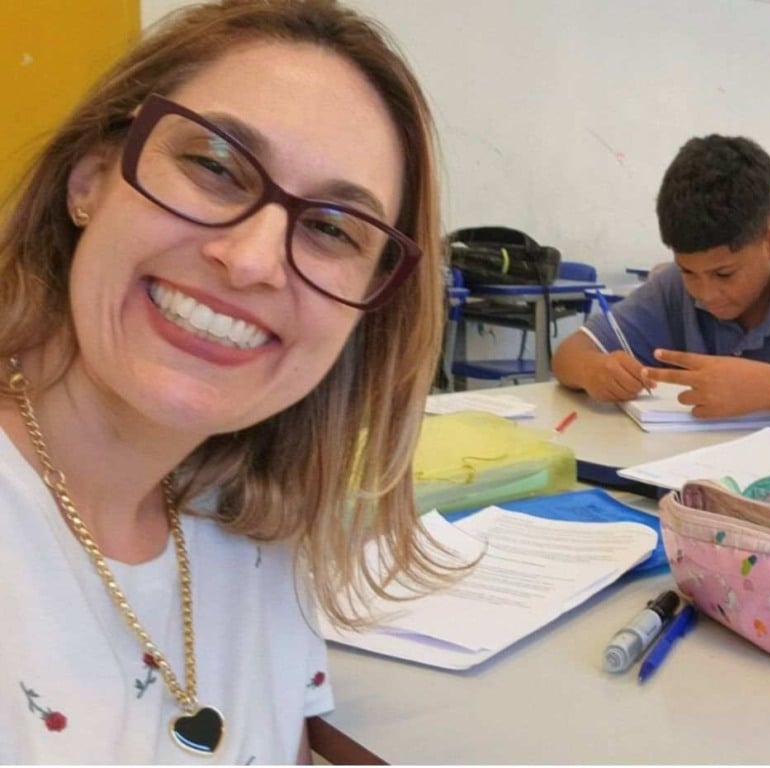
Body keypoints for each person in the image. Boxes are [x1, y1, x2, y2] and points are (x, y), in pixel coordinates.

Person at [0, 0, 448, 761]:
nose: (251, 260)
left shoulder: (256, 525)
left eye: (333, 229)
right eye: (212, 166)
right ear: (91, 180)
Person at [551, 134, 770, 418]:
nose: (705, 293)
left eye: (724, 273)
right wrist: (594, 370)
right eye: (688, 271)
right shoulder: (675, 288)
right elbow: (569, 354)